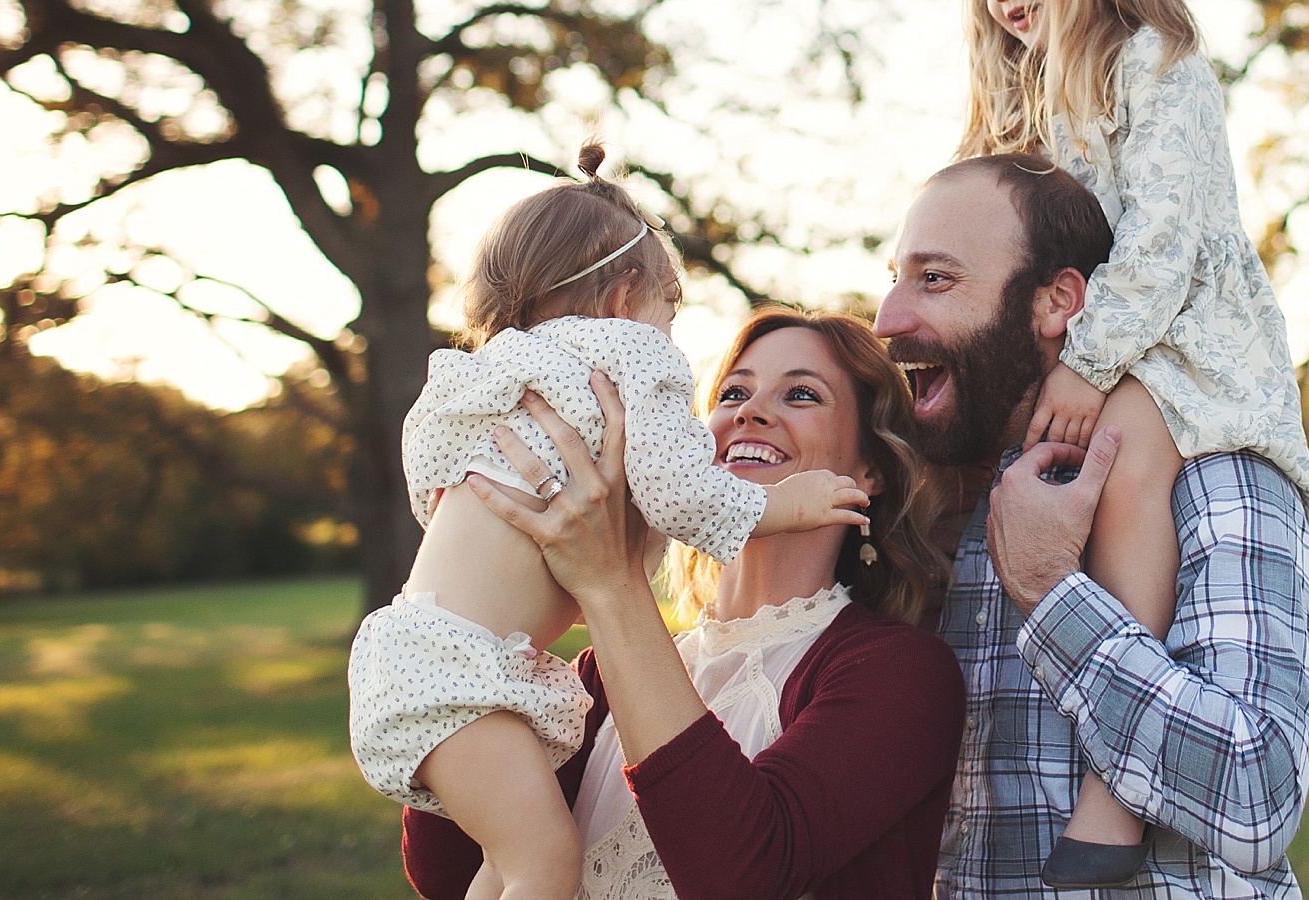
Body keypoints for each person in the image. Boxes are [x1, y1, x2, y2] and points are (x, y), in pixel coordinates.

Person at [944, 0, 1309, 885]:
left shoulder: (1154, 63)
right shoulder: (1022, 103)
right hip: (1104, 358)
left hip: (1184, 350)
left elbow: (1163, 238)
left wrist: (1088, 362)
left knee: (1126, 458)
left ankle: (1117, 792)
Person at [350, 148, 870, 900]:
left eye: (802, 396)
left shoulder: (490, 374)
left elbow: (428, 477)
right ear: (627, 301)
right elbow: (681, 491)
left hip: (412, 646)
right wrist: (790, 503)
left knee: (504, 866)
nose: (749, 411)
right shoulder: (629, 358)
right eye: (672, 315)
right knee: (542, 865)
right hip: (464, 669)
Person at [401, 307, 966, 900]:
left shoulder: (902, 674)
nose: (750, 411)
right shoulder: (592, 679)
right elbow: (450, 873)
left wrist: (612, 583)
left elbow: (745, 875)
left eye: (801, 394)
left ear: (871, 467)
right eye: (732, 393)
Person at [876, 154, 1309, 898]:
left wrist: (1052, 592)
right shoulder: (937, 509)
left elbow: (1258, 798)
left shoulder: (1213, 473)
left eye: (936, 279)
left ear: (1057, 302)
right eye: (892, 276)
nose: (889, 316)